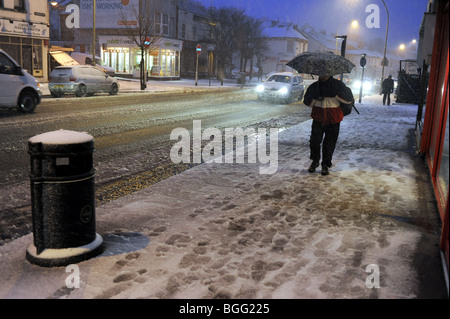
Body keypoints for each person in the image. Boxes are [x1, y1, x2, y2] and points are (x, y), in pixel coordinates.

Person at [303, 76, 354, 176]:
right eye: (322, 73)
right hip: (318, 117)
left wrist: (335, 94)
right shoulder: (314, 86)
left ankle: (325, 164)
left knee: (329, 143)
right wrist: (315, 97)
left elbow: (348, 100)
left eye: (326, 73)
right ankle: (315, 161)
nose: (324, 74)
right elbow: (307, 102)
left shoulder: (338, 85)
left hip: (333, 118)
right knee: (314, 141)